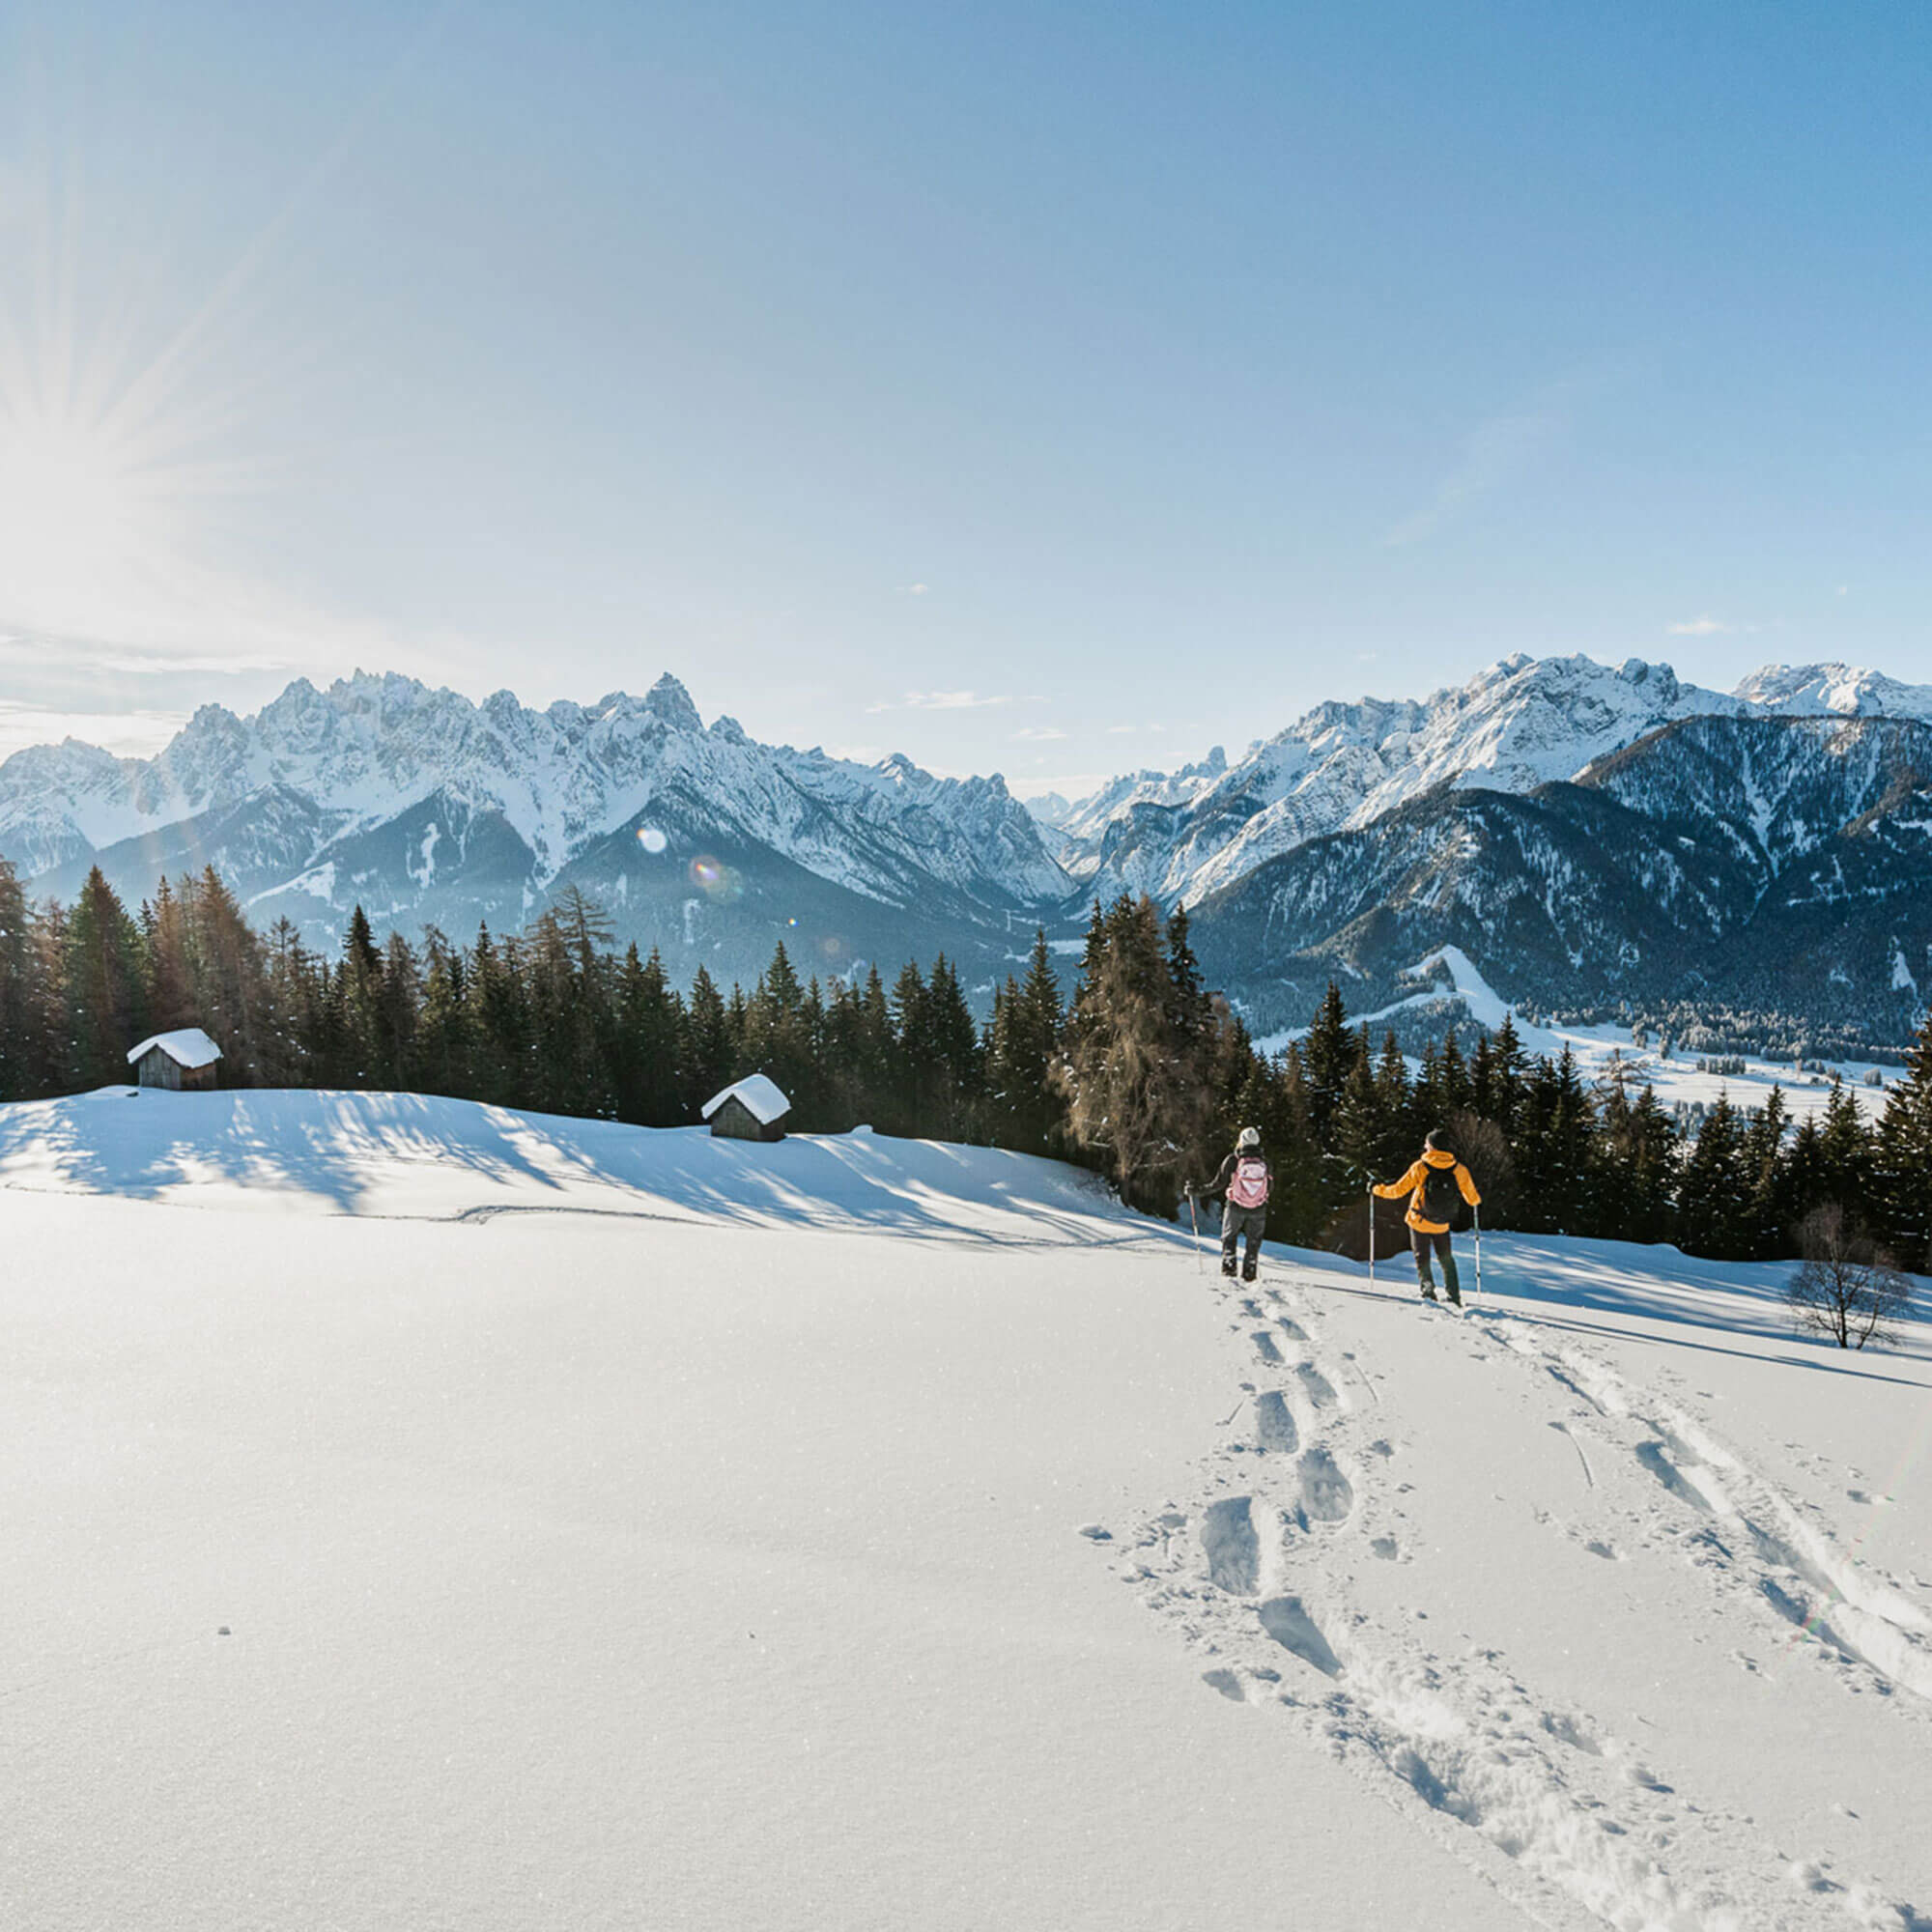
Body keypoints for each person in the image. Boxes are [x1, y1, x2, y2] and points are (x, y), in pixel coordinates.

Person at [1374, 1127, 1482, 1305]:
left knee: (1422, 1257)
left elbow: (1397, 1191)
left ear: (1432, 1146)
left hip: (1419, 1221)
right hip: (1442, 1223)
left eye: (1427, 1143)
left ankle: (1428, 1292)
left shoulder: (1420, 1167)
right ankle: (1454, 1297)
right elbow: (1472, 1198)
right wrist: (1476, 1200)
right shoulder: (1459, 1169)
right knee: (1446, 1260)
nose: (1425, 1146)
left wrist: (1377, 1189)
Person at [1198, 1126, 1271, 1283]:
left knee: (1229, 1237)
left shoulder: (1233, 1159)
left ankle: (1229, 1270)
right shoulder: (1265, 1162)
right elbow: (1271, 1186)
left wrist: (1196, 1191)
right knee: (1253, 1241)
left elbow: (1218, 1184)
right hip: (1258, 1207)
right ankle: (1249, 1273)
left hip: (1235, 1205)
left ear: (1241, 1141)